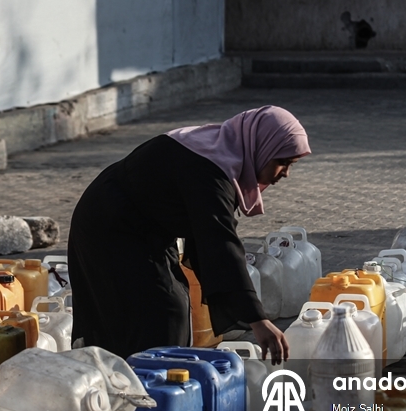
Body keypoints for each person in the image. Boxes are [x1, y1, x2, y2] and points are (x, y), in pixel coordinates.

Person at [67, 106, 310, 364]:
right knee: (161, 311)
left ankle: (142, 381)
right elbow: (221, 244)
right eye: (282, 162)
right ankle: (145, 387)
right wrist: (258, 321)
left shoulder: (219, 151)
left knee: (170, 304)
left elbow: (210, 238)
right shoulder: (211, 170)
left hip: (141, 227)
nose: (285, 173)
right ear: (261, 147)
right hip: (112, 228)